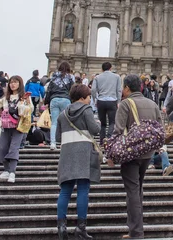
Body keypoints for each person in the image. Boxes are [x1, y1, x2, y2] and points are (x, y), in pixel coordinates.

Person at [112, 74, 161, 239]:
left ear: (127, 88)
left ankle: (137, 233)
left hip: (130, 153)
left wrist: (111, 153)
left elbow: (118, 131)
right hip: (147, 153)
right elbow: (160, 128)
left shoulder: (126, 104)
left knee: (132, 190)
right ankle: (134, 230)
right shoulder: (152, 104)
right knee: (137, 188)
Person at [55, 83, 101, 240]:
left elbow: (57, 138)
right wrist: (99, 123)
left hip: (67, 153)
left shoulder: (63, 113)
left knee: (65, 191)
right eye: (88, 97)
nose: (89, 100)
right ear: (82, 98)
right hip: (83, 153)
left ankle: (61, 226)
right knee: (83, 190)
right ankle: (80, 228)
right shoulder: (86, 110)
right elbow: (95, 130)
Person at [0, 75, 32, 183]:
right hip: (6, 125)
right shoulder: (5, 98)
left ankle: (12, 172)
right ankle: (6, 170)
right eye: (11, 82)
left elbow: (30, 109)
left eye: (15, 82)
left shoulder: (24, 96)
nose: (12, 84)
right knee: (2, 147)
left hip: (18, 126)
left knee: (14, 148)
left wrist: (21, 107)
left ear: (20, 84)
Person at [44, 62, 75, 150]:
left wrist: (47, 101)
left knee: (54, 122)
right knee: (65, 122)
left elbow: (49, 90)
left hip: (54, 99)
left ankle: (53, 143)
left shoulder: (53, 78)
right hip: (66, 100)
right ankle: (63, 143)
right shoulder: (69, 78)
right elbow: (72, 90)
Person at [91, 62, 122, 148]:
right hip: (112, 100)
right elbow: (119, 90)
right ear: (111, 68)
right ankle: (109, 138)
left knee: (102, 123)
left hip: (101, 100)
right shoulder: (117, 77)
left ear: (102, 69)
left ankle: (101, 141)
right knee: (112, 122)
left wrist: (95, 100)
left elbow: (93, 90)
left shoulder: (97, 77)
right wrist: (118, 101)